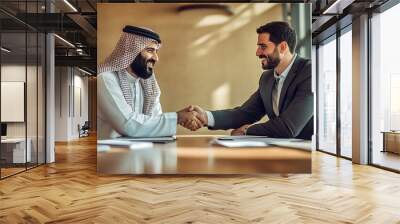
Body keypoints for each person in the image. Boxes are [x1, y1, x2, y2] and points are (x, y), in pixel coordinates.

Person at [185, 21, 313, 139]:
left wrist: (247, 130)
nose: (257, 52)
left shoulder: (309, 71)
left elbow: (288, 127)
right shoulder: (267, 78)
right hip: (280, 151)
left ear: (283, 47)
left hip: (311, 154)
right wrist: (206, 117)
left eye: (263, 47)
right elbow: (246, 113)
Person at [97, 25, 204, 139]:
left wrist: (182, 118)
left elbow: (155, 122)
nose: (156, 58)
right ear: (130, 51)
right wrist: (178, 117)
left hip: (139, 152)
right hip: (110, 154)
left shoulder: (149, 85)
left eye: (156, 51)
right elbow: (128, 125)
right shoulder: (106, 79)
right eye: (150, 50)